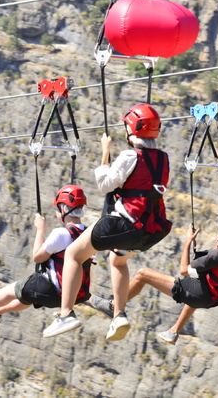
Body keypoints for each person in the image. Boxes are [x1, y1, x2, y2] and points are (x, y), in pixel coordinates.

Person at [43, 103, 172, 341]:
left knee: (73, 254)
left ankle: (65, 314)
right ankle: (119, 314)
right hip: (151, 229)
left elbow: (104, 186)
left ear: (131, 128)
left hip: (123, 223)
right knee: (118, 260)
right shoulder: (165, 159)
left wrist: (105, 151)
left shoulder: (129, 155)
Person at [89, 210, 218, 345]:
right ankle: (174, 331)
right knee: (196, 285)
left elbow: (184, 270)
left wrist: (187, 242)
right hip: (212, 299)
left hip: (199, 293)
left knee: (142, 274)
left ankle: (114, 307)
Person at [0, 185, 93, 323]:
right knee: (28, 293)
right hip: (75, 295)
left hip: (53, 291)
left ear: (62, 209)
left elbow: (38, 257)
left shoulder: (61, 233)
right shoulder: (88, 235)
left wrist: (40, 229)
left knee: (14, 289)